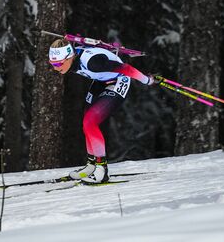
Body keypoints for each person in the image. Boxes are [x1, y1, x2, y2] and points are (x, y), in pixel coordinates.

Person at [48, 38, 155, 183]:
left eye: (58, 63)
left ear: (69, 57)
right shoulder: (73, 57)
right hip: (100, 81)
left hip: (119, 80)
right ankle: (91, 166)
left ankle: (101, 169)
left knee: (90, 122)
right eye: (52, 63)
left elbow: (126, 68)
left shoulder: (93, 63)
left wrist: (146, 80)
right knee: (86, 124)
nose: (55, 67)